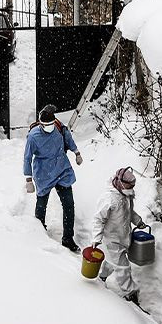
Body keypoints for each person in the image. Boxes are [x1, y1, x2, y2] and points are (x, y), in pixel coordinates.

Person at [23, 104, 83, 252]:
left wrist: (76, 152)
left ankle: (68, 238)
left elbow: (67, 137)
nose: (50, 127)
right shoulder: (33, 136)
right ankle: (39, 232)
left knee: (69, 205)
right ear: (40, 124)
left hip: (62, 170)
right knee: (42, 205)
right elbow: (27, 158)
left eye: (51, 124)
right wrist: (28, 179)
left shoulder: (57, 126)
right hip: (44, 173)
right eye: (46, 125)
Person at [91, 166, 147, 305]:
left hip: (123, 236)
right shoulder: (109, 199)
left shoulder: (126, 195)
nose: (132, 189)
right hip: (112, 239)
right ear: (120, 183)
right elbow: (99, 219)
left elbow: (130, 212)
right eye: (130, 186)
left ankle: (102, 277)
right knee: (123, 266)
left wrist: (138, 221)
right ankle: (130, 293)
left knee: (112, 261)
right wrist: (96, 239)